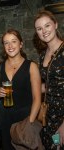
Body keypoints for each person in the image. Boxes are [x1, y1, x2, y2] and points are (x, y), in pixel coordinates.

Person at [0, 29, 41, 150]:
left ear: (21, 44)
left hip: (25, 118)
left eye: (13, 41)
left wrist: (29, 122)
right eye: (6, 43)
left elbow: (37, 98)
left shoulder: (31, 66)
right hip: (5, 118)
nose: (10, 46)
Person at [34, 10, 64, 149]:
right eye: (39, 28)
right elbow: (49, 85)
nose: (44, 31)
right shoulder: (42, 55)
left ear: (55, 25)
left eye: (47, 25)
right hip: (49, 115)